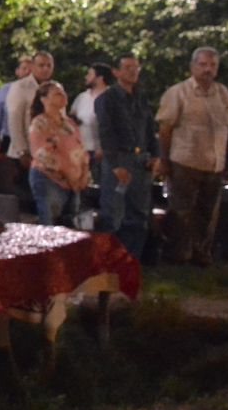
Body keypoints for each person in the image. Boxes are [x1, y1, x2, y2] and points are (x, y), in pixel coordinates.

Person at [157, 47, 228, 266]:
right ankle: (177, 255)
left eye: (212, 65)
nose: (207, 69)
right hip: (185, 160)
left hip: (215, 163)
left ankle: (201, 254)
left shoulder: (222, 93)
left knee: (208, 212)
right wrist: (164, 160)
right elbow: (165, 129)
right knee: (181, 211)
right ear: (193, 66)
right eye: (203, 65)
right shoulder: (178, 92)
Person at [95, 54, 159, 259]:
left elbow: (150, 129)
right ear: (116, 72)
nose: (133, 72)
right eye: (128, 67)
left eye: (136, 67)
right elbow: (106, 132)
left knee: (139, 214)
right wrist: (115, 164)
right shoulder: (107, 99)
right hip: (119, 158)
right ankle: (110, 261)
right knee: (113, 213)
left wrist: (155, 155)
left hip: (141, 159)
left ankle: (132, 259)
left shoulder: (141, 98)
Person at [27, 80, 90, 226]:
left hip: (74, 185)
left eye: (63, 93)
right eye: (57, 94)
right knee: (50, 225)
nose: (63, 96)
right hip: (49, 180)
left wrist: (84, 174)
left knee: (71, 227)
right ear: (44, 99)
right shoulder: (39, 123)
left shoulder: (70, 124)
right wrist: (68, 174)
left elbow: (81, 150)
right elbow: (42, 153)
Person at [5, 50, 55, 165]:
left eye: (49, 65)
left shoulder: (55, 88)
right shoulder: (20, 87)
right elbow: (14, 119)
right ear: (33, 67)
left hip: (48, 151)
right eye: (41, 65)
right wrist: (22, 150)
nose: (45, 69)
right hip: (25, 152)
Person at [72, 63, 113, 173]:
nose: (86, 77)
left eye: (90, 74)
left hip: (104, 153)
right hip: (82, 150)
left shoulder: (112, 98)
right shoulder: (82, 98)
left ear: (100, 78)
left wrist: (102, 147)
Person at [0, 55, 33, 151]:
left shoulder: (40, 91)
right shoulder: (6, 90)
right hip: (8, 138)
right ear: (17, 71)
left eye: (31, 70)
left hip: (32, 139)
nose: (28, 72)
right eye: (24, 68)